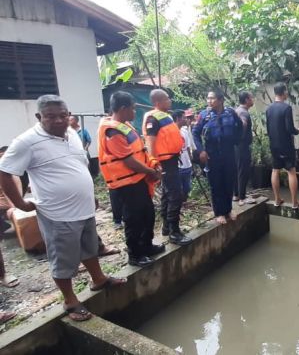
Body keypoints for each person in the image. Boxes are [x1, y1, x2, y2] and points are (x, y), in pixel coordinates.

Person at [0, 95, 126, 321]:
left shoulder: (72, 135)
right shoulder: (27, 141)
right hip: (57, 213)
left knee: (89, 248)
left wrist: (91, 195)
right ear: (39, 117)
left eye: (63, 115)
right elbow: (5, 171)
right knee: (64, 258)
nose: (58, 120)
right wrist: (19, 203)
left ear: (69, 115)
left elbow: (79, 166)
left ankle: (99, 279)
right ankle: (70, 300)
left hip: (84, 208)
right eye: (50, 116)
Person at [98, 92, 164, 267]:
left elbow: (139, 151)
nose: (135, 112)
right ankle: (135, 254)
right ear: (123, 109)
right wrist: (150, 171)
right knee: (134, 219)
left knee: (147, 214)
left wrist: (152, 163)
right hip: (126, 183)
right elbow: (128, 160)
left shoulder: (124, 126)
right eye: (133, 108)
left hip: (138, 179)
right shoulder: (112, 131)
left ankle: (147, 246)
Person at [143, 89, 192, 245]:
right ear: (158, 102)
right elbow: (150, 141)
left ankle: (166, 227)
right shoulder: (153, 118)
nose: (170, 101)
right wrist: (153, 162)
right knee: (175, 195)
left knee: (167, 194)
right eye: (167, 99)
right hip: (164, 162)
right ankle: (174, 232)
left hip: (172, 160)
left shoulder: (166, 116)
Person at [192, 90, 242, 224]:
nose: (209, 101)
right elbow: (195, 133)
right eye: (207, 98)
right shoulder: (204, 115)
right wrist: (201, 151)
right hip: (212, 155)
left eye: (212, 98)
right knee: (216, 184)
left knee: (228, 181)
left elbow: (240, 126)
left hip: (229, 153)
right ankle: (219, 212)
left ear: (220, 100)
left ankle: (228, 209)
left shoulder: (230, 113)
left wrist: (236, 140)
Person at [266, 82, 299, 209]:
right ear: (283, 93)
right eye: (286, 91)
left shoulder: (269, 109)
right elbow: (289, 128)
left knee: (275, 170)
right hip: (285, 145)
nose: (287, 94)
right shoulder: (286, 108)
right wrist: (298, 131)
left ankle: (277, 200)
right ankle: (294, 202)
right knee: (291, 172)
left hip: (274, 144)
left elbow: (268, 129)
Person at [233, 91, 256, 206]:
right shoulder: (243, 113)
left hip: (236, 146)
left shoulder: (237, 110)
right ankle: (242, 197)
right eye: (252, 97)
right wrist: (241, 139)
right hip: (242, 146)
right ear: (247, 100)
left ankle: (237, 194)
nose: (253, 99)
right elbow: (243, 124)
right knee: (243, 171)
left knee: (238, 170)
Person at [172, 110, 196, 202]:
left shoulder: (184, 131)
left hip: (187, 163)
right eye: (184, 117)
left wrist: (190, 159)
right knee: (178, 187)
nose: (186, 119)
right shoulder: (172, 132)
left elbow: (188, 146)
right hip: (177, 164)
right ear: (178, 119)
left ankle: (184, 200)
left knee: (187, 187)